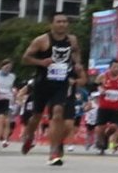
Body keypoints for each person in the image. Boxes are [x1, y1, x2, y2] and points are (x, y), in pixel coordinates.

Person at [20, 12, 86, 165]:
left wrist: (77, 63)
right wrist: (41, 62)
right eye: (59, 21)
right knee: (36, 116)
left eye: (65, 21)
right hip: (43, 83)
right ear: (52, 24)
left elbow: (76, 51)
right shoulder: (42, 40)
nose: (62, 24)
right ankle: (29, 136)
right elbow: (25, 58)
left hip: (61, 82)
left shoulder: (72, 39)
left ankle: (54, 151)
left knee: (57, 113)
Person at [95, 59, 118, 154]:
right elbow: (96, 85)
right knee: (100, 127)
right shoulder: (103, 76)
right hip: (104, 106)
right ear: (110, 68)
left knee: (114, 127)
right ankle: (101, 144)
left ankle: (106, 137)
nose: (117, 69)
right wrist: (100, 89)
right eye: (115, 67)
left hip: (115, 107)